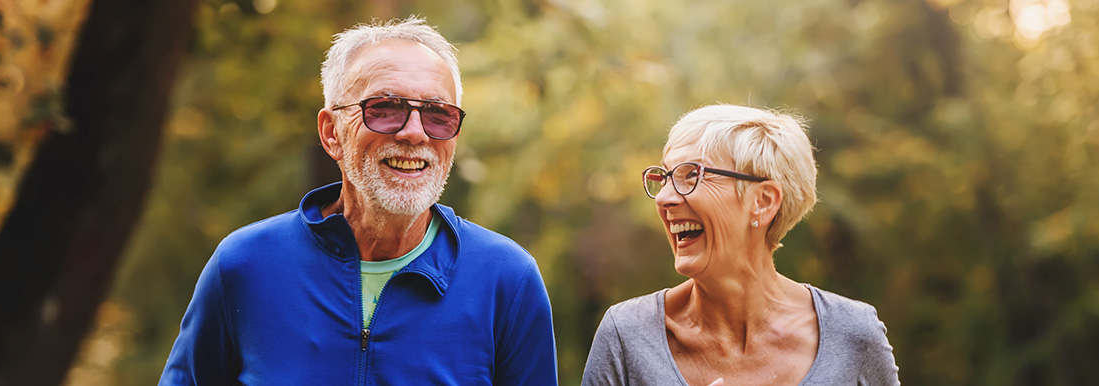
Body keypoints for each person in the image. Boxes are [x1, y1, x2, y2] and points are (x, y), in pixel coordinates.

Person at [160, 17, 557, 385]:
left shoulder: (507, 280)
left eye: (438, 114)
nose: (415, 133)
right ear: (331, 132)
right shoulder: (244, 266)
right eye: (385, 109)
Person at [582, 105, 899, 385]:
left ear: (762, 201)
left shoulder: (854, 334)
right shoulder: (626, 336)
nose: (664, 197)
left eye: (691, 175)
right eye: (664, 178)